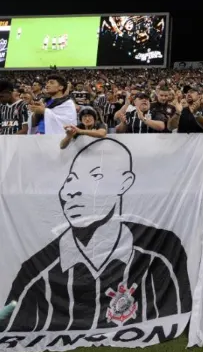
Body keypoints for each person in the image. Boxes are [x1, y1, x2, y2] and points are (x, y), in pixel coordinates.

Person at [0, 138, 192, 332]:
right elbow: (10, 317)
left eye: (96, 176)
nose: (72, 190)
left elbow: (179, 308)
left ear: (125, 183)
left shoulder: (162, 251)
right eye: (70, 179)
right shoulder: (35, 272)